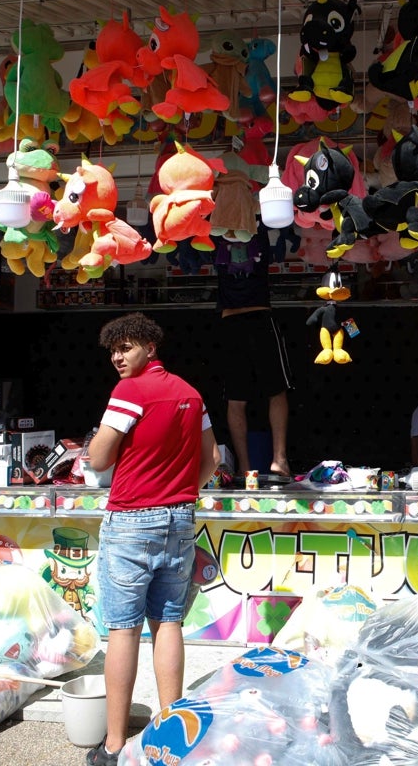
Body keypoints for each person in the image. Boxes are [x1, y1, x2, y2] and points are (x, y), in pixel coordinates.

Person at [83, 312, 219, 766]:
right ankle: (171, 735)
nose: (118, 358)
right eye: (113, 351)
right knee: (169, 623)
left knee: (123, 629)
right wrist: (182, 492)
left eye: (126, 348)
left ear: (150, 348)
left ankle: (115, 745)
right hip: (180, 519)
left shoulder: (130, 392)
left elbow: (99, 458)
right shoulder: (190, 393)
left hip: (130, 521)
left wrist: (95, 447)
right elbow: (212, 459)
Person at [215, 231, 293, 478]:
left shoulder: (216, 232)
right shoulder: (257, 230)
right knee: (276, 391)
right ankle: (278, 459)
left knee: (237, 399)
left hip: (231, 321)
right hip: (259, 317)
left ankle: (246, 466)